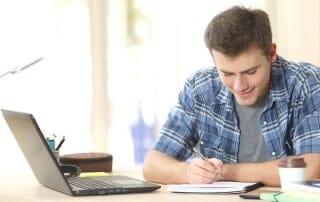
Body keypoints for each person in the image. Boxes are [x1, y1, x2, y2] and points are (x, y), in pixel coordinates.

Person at [142, 5, 320, 186]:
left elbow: (310, 170)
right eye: (227, 74)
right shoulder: (201, 89)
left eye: (250, 72)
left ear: (271, 53)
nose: (239, 86)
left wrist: (224, 171)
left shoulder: (305, 84)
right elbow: (152, 164)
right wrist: (189, 172)